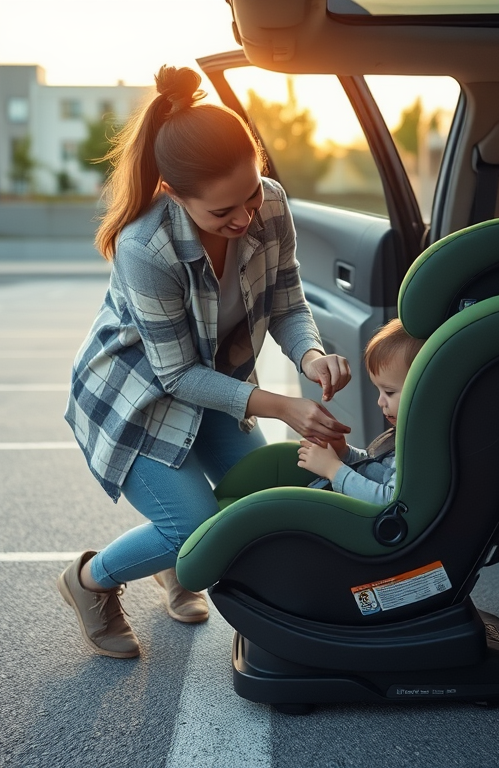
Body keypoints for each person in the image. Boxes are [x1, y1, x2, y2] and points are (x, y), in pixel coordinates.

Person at [59, 65, 352, 659]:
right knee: (196, 530)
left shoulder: (268, 204)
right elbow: (173, 375)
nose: (245, 217)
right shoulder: (146, 246)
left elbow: (287, 296)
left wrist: (312, 354)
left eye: (251, 192)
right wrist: (284, 406)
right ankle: (89, 581)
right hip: (137, 398)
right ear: (174, 194)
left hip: (214, 385)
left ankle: (177, 570)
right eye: (223, 212)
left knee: (254, 507)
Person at [297, 319, 422, 505]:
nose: (380, 402)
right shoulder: (405, 432)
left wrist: (333, 469)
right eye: (378, 390)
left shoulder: (419, 448)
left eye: (389, 392)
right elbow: (379, 470)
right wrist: (346, 453)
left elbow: (389, 501)